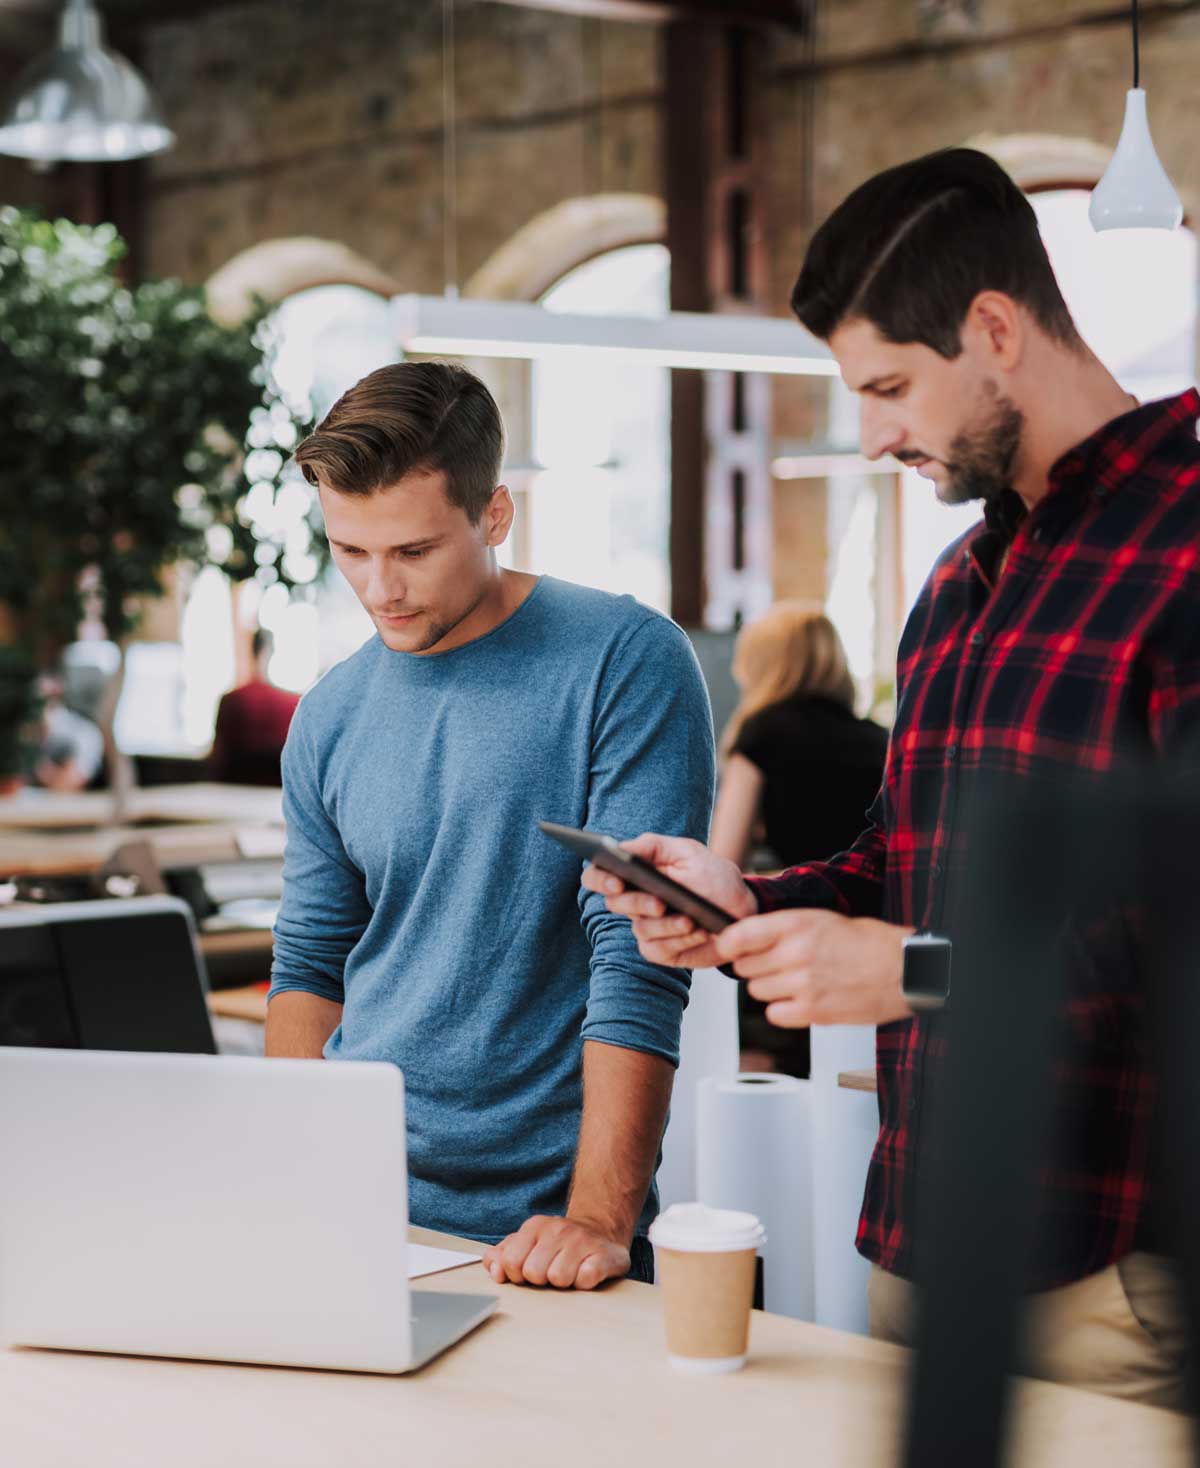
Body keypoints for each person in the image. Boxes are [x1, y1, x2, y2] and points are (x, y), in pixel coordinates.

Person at [585, 148, 1199, 1405]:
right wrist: (743, 899)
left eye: (889, 388)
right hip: (924, 1233)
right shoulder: (957, 587)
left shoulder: (1187, 546)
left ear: (994, 329)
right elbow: (895, 860)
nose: (871, 437)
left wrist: (909, 972)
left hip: (1118, 1267)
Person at [266, 360, 714, 1291]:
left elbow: (634, 956)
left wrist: (600, 1217)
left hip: (547, 1230)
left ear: (494, 517)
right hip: (365, 1214)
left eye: (414, 552)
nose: (379, 588)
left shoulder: (624, 660)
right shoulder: (330, 714)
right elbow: (312, 959)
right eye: (350, 551)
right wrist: (297, 1180)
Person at [710, 604, 888, 1075]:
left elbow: (725, 861)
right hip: (877, 954)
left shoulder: (761, 734)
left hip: (791, 955)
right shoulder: (881, 739)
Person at [207, 629, 300, 786]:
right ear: (270, 653)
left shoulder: (231, 701)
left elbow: (217, 759)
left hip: (231, 794)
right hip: (276, 796)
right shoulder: (294, 704)